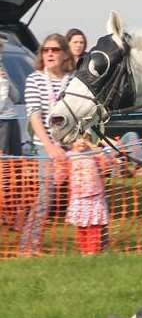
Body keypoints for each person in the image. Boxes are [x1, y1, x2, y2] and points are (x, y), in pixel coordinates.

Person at [19, 34, 76, 256]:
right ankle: (28, 246)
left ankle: (95, 244)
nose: (50, 53)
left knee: (91, 190)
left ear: (65, 54)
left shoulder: (72, 80)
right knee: (45, 196)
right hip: (46, 145)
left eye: (54, 49)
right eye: (45, 50)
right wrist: (50, 147)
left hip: (72, 145)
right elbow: (34, 115)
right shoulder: (34, 79)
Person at [66, 134, 111, 255]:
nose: (81, 141)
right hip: (78, 198)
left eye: (85, 139)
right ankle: (84, 250)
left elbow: (106, 160)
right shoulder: (69, 156)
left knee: (94, 226)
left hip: (95, 196)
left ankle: (92, 251)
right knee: (81, 226)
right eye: (77, 139)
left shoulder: (93, 154)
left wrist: (91, 145)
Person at [0, 37, 22, 155]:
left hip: (12, 119)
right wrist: (3, 86)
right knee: (4, 164)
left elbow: (16, 97)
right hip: (2, 122)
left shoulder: (2, 69)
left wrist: (5, 80)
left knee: (16, 163)